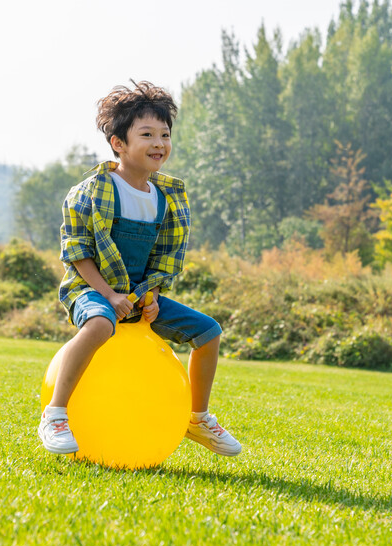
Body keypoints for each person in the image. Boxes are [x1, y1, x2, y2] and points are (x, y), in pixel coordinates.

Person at [38, 80, 242, 458]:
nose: (159, 143)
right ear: (119, 143)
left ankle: (197, 417)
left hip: (136, 295)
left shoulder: (166, 198)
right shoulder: (92, 191)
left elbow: (161, 259)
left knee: (209, 332)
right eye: (146, 134)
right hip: (90, 288)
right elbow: (78, 253)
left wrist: (151, 297)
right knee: (100, 324)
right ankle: (57, 413)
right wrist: (108, 295)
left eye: (165, 134)